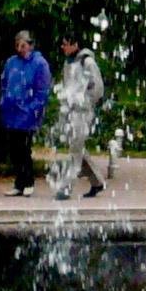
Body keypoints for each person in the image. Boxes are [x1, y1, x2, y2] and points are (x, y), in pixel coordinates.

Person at [50, 33, 106, 201]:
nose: (63, 47)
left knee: (75, 150)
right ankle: (97, 181)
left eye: (65, 44)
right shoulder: (69, 63)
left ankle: (66, 187)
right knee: (77, 148)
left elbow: (98, 88)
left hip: (83, 112)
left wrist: (84, 101)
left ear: (75, 44)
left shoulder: (87, 62)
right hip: (71, 111)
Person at [0, 30, 52, 196]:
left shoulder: (39, 63)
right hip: (11, 111)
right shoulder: (11, 62)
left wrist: (32, 108)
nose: (20, 49)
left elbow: (42, 91)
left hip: (27, 112)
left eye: (23, 45)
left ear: (30, 45)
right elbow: (4, 83)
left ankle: (28, 181)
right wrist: (4, 100)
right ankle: (19, 182)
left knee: (23, 148)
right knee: (14, 148)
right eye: (17, 46)